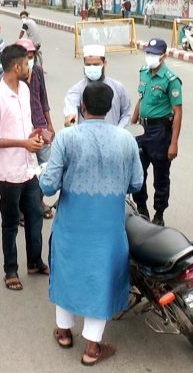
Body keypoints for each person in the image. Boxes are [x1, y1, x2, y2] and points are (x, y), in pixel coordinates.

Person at [41, 81, 144, 367]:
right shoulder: (126, 141)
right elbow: (137, 183)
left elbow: (48, 186)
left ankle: (63, 332)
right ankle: (92, 348)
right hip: (108, 225)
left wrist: (42, 175)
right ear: (110, 107)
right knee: (101, 276)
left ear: (82, 107)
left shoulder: (66, 138)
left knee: (67, 270)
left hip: (72, 222)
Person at [0, 44, 48, 292]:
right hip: (8, 173)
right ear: (16, 66)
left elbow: (27, 125)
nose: (29, 67)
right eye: (26, 63)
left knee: (35, 216)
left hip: (29, 169)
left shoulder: (24, 90)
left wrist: (36, 138)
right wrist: (23, 143)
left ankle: (34, 261)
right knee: (10, 223)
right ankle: (11, 270)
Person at [130, 38, 183, 225]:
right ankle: (142, 207)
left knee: (161, 175)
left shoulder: (171, 80)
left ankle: (159, 213)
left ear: (163, 56)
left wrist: (174, 143)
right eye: (148, 53)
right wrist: (131, 125)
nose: (149, 57)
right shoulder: (143, 73)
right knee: (137, 171)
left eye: (153, 53)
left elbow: (178, 112)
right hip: (141, 130)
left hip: (160, 132)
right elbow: (141, 99)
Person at [20, 38, 56, 219]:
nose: (29, 60)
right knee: (24, 169)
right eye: (26, 57)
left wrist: (49, 124)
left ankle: (39, 201)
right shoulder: (12, 77)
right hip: (22, 132)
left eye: (31, 56)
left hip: (40, 126)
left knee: (45, 167)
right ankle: (22, 208)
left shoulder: (39, 72)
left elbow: (44, 100)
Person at [63, 44, 132, 128]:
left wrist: (118, 132)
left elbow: (126, 114)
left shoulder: (118, 88)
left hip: (112, 139)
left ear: (104, 63)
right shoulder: (76, 90)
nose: (92, 68)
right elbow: (71, 106)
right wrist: (71, 116)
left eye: (96, 64)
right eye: (88, 65)